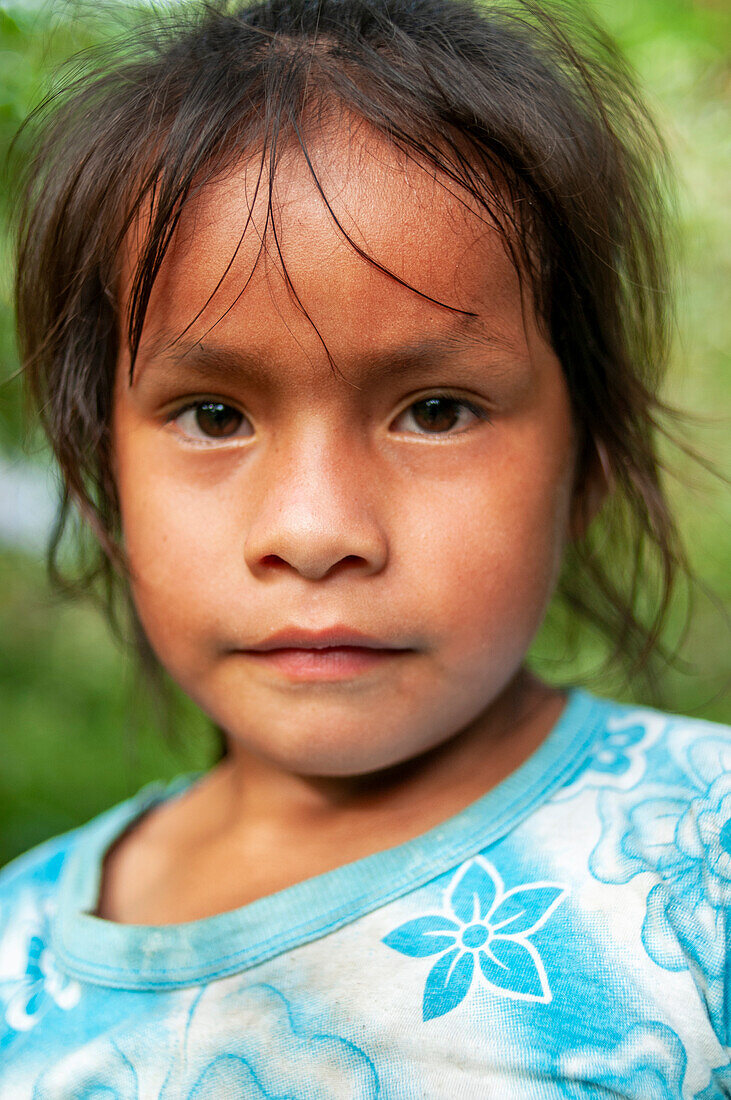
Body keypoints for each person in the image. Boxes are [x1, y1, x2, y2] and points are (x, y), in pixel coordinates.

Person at [0, 0, 728, 1094]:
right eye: (212, 415)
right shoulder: (17, 954)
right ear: (104, 477)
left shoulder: (701, 864)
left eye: (435, 409)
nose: (314, 530)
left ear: (587, 456)